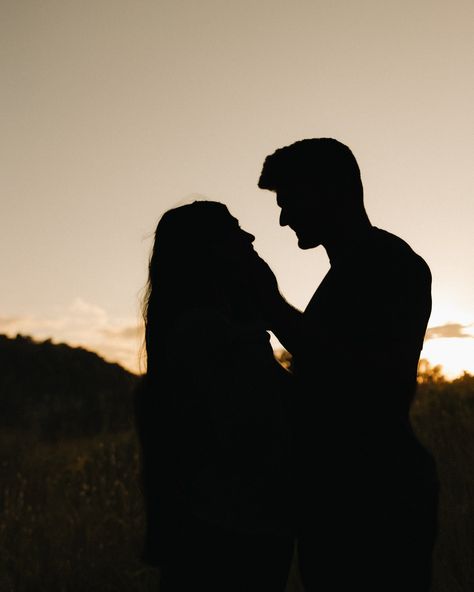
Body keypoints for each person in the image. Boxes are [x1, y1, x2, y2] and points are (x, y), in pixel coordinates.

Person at [254, 138, 439, 591]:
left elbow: (378, 384)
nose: (283, 217)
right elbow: (324, 390)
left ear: (332, 190)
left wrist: (272, 310)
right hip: (341, 497)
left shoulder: (394, 265)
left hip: (378, 498)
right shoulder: (345, 276)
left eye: (290, 200)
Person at [134, 200, 295, 592]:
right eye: (234, 230)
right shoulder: (208, 333)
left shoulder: (198, 328)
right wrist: (269, 305)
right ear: (209, 249)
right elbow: (274, 415)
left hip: (221, 529)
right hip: (232, 533)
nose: (250, 236)